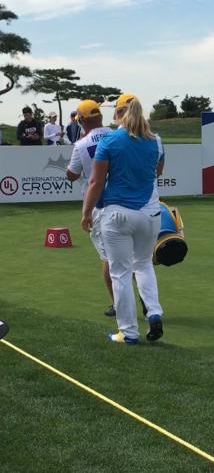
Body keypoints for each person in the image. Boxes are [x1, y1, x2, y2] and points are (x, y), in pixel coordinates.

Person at [82, 93, 165, 344]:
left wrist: (86, 213)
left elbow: (96, 182)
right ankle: (154, 312)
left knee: (120, 273)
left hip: (117, 214)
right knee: (144, 264)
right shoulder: (155, 140)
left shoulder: (110, 141)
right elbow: (158, 172)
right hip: (150, 214)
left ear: (118, 114)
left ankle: (128, 332)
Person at [66, 100, 115, 316]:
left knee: (108, 257)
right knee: (132, 258)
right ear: (101, 117)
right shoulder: (117, 135)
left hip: (98, 203)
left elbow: (72, 174)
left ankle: (118, 304)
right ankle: (146, 299)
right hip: (123, 199)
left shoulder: (81, 145)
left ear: (81, 121)